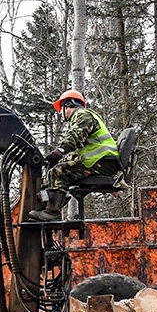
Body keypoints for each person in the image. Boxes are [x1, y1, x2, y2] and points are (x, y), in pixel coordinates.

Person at [29, 89, 120, 221]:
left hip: (103, 162)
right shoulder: (83, 117)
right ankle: (55, 199)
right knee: (53, 172)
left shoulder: (82, 114)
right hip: (101, 162)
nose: (61, 113)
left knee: (59, 172)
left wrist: (60, 151)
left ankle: (52, 212)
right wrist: (60, 159)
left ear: (68, 105)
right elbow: (78, 152)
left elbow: (76, 135)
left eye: (61, 109)